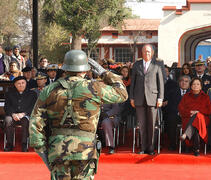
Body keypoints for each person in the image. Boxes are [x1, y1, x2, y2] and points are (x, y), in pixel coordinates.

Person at [29, 50, 128, 179]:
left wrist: (42, 151)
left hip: (58, 149)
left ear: (65, 69)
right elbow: (122, 93)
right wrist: (104, 72)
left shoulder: (50, 89)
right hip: (85, 150)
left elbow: (35, 121)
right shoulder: (95, 88)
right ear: (85, 70)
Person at [129, 44, 164, 155]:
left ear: (152, 53)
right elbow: (132, 82)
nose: (146, 53)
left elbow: (161, 83)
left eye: (148, 52)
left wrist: (160, 98)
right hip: (139, 99)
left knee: (151, 125)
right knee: (142, 125)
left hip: (153, 99)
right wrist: (132, 98)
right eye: (144, 51)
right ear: (142, 53)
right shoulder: (136, 65)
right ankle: (143, 148)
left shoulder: (157, 65)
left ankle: (151, 148)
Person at [178, 77, 211, 156]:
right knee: (196, 123)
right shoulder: (186, 96)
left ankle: (186, 135)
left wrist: (198, 112)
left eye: (198, 84)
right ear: (191, 86)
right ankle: (196, 148)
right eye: (194, 84)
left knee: (198, 117)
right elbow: (181, 109)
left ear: (201, 86)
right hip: (188, 118)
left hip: (203, 119)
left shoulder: (205, 97)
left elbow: (209, 110)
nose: (196, 86)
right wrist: (190, 112)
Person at [4, 76, 37, 152]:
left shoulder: (32, 93)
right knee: (8, 120)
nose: (21, 85)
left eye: (23, 83)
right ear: (15, 85)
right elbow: (7, 106)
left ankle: (24, 143)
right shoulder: (9, 93)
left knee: (25, 120)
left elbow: (33, 107)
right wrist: (13, 114)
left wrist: (23, 114)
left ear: (26, 83)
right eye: (18, 83)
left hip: (26, 115)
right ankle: (9, 144)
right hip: (12, 115)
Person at [165, 75, 190, 150]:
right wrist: (178, 112)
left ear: (189, 83)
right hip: (176, 114)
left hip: (187, 115)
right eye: (182, 81)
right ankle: (172, 144)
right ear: (179, 82)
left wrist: (185, 113)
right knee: (171, 119)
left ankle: (186, 145)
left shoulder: (192, 93)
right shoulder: (172, 92)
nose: (184, 83)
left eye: (186, 81)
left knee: (191, 121)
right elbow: (170, 106)